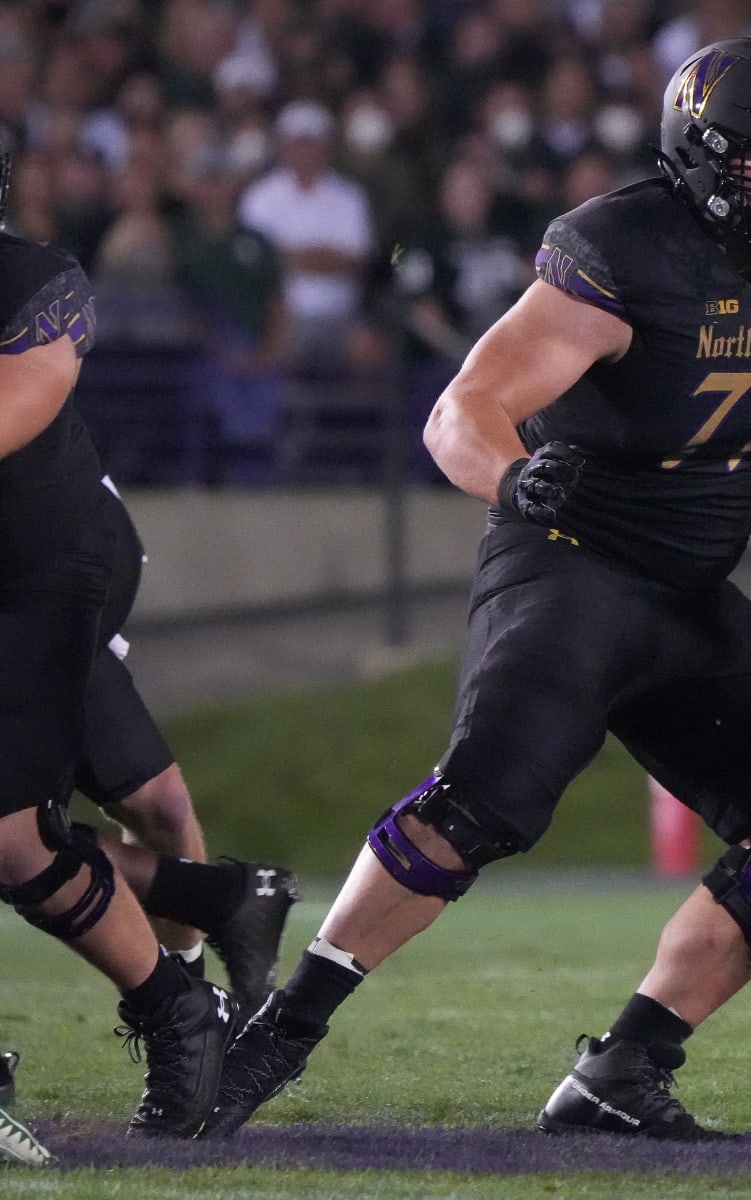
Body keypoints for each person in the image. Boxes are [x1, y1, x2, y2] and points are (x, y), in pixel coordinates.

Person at [202, 37, 751, 1141]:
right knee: (480, 804)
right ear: (698, 160)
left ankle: (622, 1068)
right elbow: (459, 413)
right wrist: (513, 477)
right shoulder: (625, 249)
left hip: (690, 589)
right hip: (575, 557)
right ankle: (277, 1036)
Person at [0, 165, 234, 1138]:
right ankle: (189, 997)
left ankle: (179, 1000)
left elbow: (23, 398)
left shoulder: (31, 282)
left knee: (99, 818)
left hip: (46, 576)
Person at [80, 477, 301, 1018]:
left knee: (162, 807)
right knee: (19, 837)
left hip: (57, 596)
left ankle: (190, 1018)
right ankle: (190, 991)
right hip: (37, 601)